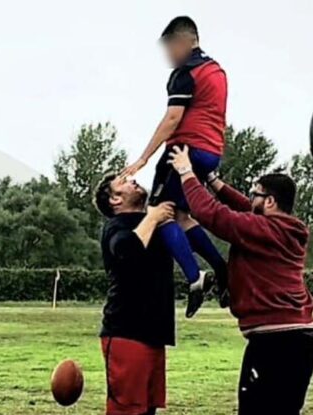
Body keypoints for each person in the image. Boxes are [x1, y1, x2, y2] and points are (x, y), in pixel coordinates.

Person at [167, 145, 313, 415]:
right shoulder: (286, 228)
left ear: (271, 201)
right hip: (299, 341)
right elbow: (241, 207)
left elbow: (215, 216)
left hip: (275, 344)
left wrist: (186, 173)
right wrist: (214, 182)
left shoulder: (265, 229)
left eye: (256, 194)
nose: (252, 198)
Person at [120, 16, 228, 316]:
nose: (167, 57)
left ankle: (195, 279)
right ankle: (221, 268)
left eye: (169, 48)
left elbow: (172, 120)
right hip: (211, 152)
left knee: (159, 212)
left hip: (184, 149)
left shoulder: (185, 73)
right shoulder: (216, 71)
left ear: (183, 42)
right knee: (181, 215)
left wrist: (144, 157)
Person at [89, 175, 176, 415]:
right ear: (115, 199)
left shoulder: (153, 220)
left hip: (153, 333)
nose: (134, 181)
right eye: (125, 182)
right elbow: (126, 250)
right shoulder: (116, 227)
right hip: (125, 333)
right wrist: (152, 217)